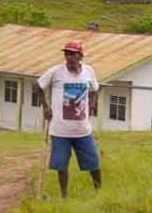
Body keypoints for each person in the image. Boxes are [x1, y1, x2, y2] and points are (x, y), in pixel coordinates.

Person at [35, 41, 102, 198]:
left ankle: (99, 192)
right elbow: (38, 86)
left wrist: (92, 103)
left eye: (72, 54)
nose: (69, 57)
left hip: (82, 130)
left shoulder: (88, 71)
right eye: (67, 54)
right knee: (61, 165)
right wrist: (45, 106)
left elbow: (95, 89)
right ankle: (64, 195)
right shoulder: (56, 72)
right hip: (60, 130)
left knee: (93, 163)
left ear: (80, 56)